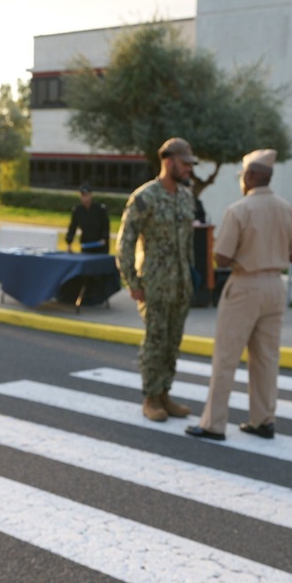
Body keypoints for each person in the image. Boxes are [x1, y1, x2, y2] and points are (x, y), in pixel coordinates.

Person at [185, 149, 292, 441]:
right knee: (266, 358)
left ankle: (214, 423)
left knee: (226, 357)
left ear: (249, 176)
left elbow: (221, 258)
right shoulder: (287, 208)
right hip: (275, 285)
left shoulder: (239, 210)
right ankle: (263, 420)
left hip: (245, 285)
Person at [117, 137, 198, 422]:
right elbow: (124, 243)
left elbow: (188, 243)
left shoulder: (187, 196)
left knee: (173, 342)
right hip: (154, 284)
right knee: (155, 341)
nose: (189, 169)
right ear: (168, 161)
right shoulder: (145, 197)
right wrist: (133, 283)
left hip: (180, 285)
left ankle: (165, 393)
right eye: (185, 163)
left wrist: (193, 275)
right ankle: (151, 398)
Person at [65, 184, 110, 254]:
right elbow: (72, 227)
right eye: (83, 195)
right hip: (86, 244)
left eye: (87, 195)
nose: (85, 198)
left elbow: (106, 225)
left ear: (90, 195)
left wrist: (104, 238)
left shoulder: (100, 209)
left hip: (100, 244)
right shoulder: (78, 211)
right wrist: (69, 242)